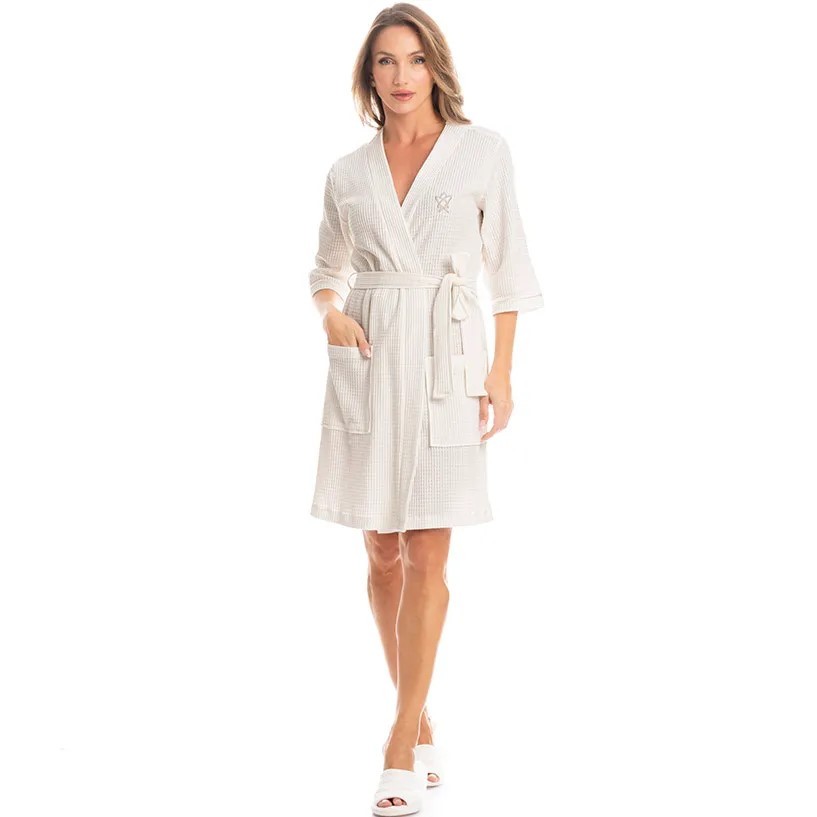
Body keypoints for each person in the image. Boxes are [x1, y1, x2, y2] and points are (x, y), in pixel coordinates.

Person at [307, 4, 543, 814]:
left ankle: (399, 740)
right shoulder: (347, 172)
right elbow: (324, 269)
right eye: (385, 61)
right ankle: (420, 712)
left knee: (427, 551)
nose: (400, 76)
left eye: (413, 59)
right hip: (371, 358)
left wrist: (500, 372)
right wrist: (330, 314)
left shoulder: (482, 151)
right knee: (380, 550)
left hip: (447, 360)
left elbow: (508, 271)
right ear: (367, 75)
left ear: (436, 66)